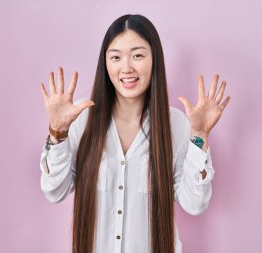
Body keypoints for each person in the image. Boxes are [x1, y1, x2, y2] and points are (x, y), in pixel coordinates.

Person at [39, 14, 230, 253]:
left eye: (137, 55)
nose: (126, 68)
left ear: (154, 60)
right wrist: (58, 133)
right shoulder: (82, 119)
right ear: (105, 63)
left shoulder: (176, 124)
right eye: (116, 57)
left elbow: (195, 204)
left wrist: (199, 136)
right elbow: (54, 190)